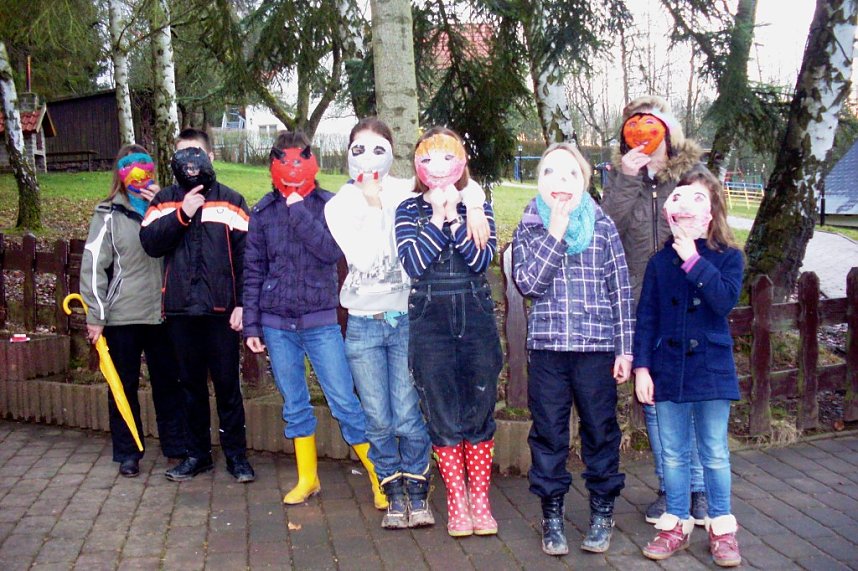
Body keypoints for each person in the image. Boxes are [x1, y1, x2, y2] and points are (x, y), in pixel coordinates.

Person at [325, 118, 490, 529]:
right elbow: (361, 257)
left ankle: (418, 491)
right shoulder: (338, 204)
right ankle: (390, 490)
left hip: (405, 320)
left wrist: (473, 203)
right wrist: (370, 203)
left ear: (394, 154)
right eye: (358, 149)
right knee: (377, 416)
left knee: (406, 412)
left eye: (378, 149)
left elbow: (454, 178)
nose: (368, 158)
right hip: (362, 324)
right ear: (347, 153)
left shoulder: (406, 189)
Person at [243, 130, 383, 508]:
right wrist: (253, 324)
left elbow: (327, 251)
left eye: (298, 162)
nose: (290, 170)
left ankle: (378, 475)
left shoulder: (328, 205)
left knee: (344, 401)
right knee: (295, 403)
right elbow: (254, 270)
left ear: (311, 162)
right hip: (276, 325)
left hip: (320, 322)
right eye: (283, 163)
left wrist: (297, 209)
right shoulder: (261, 212)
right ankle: (308, 478)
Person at [512, 143, 634, 556]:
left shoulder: (602, 226)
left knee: (601, 431)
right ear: (539, 181)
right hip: (548, 350)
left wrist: (625, 349)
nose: (560, 182)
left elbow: (620, 290)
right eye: (550, 173)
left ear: (584, 182)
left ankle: (602, 511)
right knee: (548, 433)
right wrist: (556, 234)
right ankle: (552, 515)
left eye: (570, 174)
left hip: (596, 348)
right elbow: (529, 284)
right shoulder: (530, 225)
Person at [601, 95, 708, 524]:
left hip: (685, 304)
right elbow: (606, 228)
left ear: (667, 129)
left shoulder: (693, 178)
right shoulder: (618, 176)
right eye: (633, 126)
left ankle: (699, 491)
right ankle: (672, 488)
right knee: (655, 403)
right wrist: (626, 180)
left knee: (690, 398)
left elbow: (709, 233)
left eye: (651, 125)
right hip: (639, 306)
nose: (643, 134)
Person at [395, 127, 503, 538]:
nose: (437, 168)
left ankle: (480, 500)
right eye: (428, 159)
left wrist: (461, 213)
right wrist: (438, 218)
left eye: (447, 158)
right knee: (441, 412)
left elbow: (479, 261)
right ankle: (457, 501)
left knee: (479, 409)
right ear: (419, 166)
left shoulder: (480, 207)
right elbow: (414, 264)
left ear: (460, 163)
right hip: (430, 319)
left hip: (474, 316)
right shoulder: (408, 210)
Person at [634, 169, 743, 567]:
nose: (686, 205)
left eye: (697, 198)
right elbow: (646, 318)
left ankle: (721, 528)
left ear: (712, 210)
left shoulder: (729, 257)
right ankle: (675, 523)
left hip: (712, 371)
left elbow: (724, 301)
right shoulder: (659, 262)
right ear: (669, 209)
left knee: (714, 452)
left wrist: (693, 260)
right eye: (678, 197)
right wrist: (642, 368)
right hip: (668, 371)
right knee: (674, 454)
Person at [140, 128, 255, 483]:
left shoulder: (232, 201)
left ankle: (237, 456)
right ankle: (197, 455)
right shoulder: (163, 201)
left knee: (227, 388)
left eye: (195, 153)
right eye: (181, 154)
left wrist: (243, 305)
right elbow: (151, 243)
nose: (188, 161)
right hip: (180, 313)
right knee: (189, 387)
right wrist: (182, 214)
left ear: (210, 156)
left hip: (221, 313)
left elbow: (247, 260)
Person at [79, 145, 186, 478]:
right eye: (131, 167)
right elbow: (94, 265)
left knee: (169, 383)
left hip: (163, 313)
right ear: (120, 173)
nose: (139, 174)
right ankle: (128, 452)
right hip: (123, 315)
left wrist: (165, 206)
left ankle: (176, 447)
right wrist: (95, 316)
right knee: (122, 387)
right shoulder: (107, 213)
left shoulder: (166, 206)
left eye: (145, 166)